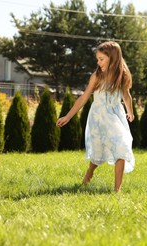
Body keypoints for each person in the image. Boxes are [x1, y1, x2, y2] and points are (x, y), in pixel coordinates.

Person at [56, 41, 135, 192]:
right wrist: (68, 116)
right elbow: (84, 97)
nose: (98, 63)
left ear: (113, 58)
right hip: (98, 118)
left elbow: (126, 96)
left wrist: (130, 112)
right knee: (98, 153)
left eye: (101, 59)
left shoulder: (122, 76)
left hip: (115, 117)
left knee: (122, 145)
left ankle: (117, 190)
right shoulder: (96, 76)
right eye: (97, 59)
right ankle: (89, 173)